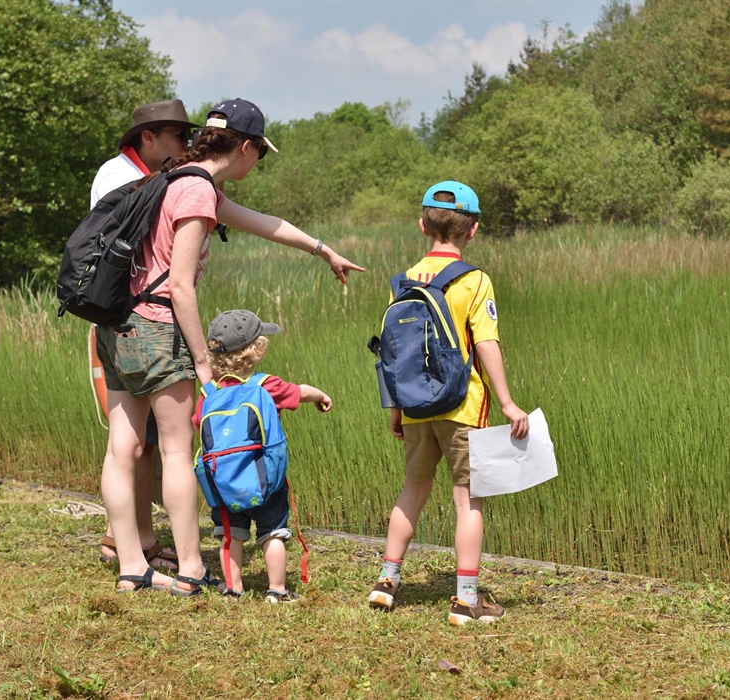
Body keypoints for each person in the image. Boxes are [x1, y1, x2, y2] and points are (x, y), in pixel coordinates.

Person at [95, 97, 364, 593]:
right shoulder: (196, 191)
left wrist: (325, 251)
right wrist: (203, 363)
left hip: (118, 325)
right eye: (259, 153)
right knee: (177, 449)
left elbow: (263, 222)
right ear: (245, 147)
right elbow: (180, 286)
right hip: (157, 327)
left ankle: (132, 565)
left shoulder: (175, 176)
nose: (256, 163)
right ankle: (193, 567)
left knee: (122, 447)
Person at [367, 181, 529, 625]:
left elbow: (395, 354)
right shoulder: (474, 280)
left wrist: (397, 409)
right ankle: (466, 599)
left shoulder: (403, 281)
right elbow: (488, 343)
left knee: (412, 490)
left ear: (423, 226)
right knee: (468, 500)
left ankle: (386, 582)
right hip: (462, 407)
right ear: (472, 230)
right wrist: (509, 403)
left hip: (415, 407)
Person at [91, 99, 199, 572]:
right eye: (178, 136)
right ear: (149, 137)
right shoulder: (124, 179)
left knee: (135, 443)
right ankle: (137, 545)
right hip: (139, 320)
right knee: (164, 445)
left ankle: (136, 549)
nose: (185, 145)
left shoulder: (143, 175)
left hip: (116, 320)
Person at [191, 309, 333, 602]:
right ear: (255, 351)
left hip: (224, 483)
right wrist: (320, 396)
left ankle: (234, 588)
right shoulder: (264, 385)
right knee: (273, 532)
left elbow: (197, 423)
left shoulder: (208, 394)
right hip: (264, 479)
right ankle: (277, 590)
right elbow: (299, 392)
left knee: (230, 535)